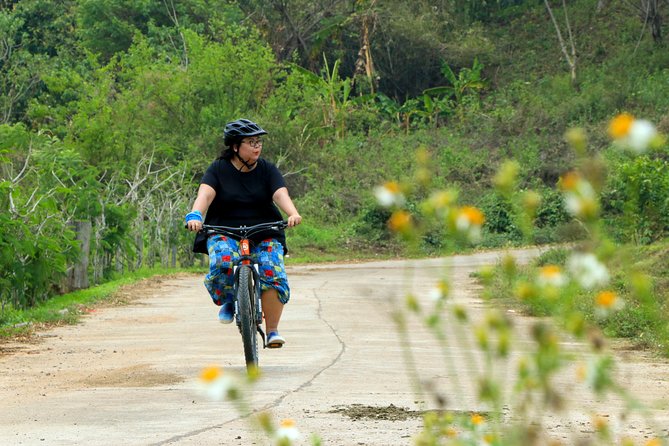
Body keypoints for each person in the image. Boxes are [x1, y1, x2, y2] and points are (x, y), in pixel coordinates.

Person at [185, 118, 302, 348]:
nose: (257, 146)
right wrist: (195, 215)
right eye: (251, 142)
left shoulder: (267, 169)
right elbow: (205, 195)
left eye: (259, 141)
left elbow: (280, 193)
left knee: (272, 270)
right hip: (224, 229)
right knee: (222, 262)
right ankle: (230, 298)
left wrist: (292, 213)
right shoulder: (218, 168)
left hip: (264, 229)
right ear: (235, 147)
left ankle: (272, 331)